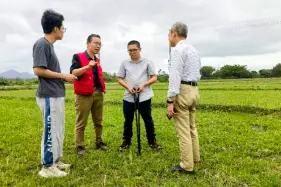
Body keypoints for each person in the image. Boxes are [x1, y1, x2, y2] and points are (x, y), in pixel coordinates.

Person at [33, 9, 77, 178]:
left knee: (58, 129)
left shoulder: (49, 46)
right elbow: (38, 70)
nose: (63, 30)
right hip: (49, 95)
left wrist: (62, 78)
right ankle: (47, 167)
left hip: (56, 93)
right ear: (56, 29)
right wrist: (62, 75)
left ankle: (56, 161)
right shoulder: (42, 44)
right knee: (51, 130)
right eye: (62, 27)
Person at [167, 22, 201, 174]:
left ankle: (186, 165)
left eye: (169, 34)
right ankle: (195, 158)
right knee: (192, 127)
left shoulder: (177, 50)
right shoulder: (193, 49)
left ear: (174, 33)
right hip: (194, 90)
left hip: (183, 90)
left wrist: (170, 101)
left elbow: (174, 77)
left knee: (183, 131)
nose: (168, 37)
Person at [117, 40, 162, 152]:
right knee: (128, 121)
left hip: (144, 96)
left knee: (148, 120)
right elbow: (120, 79)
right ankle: (126, 142)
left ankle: (152, 142)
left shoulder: (147, 62)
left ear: (140, 49)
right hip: (129, 96)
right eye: (130, 50)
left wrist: (144, 84)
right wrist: (128, 87)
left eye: (134, 50)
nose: (132, 52)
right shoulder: (124, 63)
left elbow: (154, 77)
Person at [70, 34, 107, 157]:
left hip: (98, 93)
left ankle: (99, 141)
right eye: (95, 43)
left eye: (100, 44)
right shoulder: (78, 57)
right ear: (88, 43)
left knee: (98, 121)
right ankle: (80, 146)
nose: (98, 46)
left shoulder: (97, 60)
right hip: (83, 95)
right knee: (81, 122)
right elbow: (74, 73)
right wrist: (87, 66)